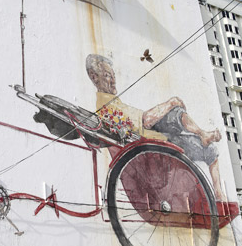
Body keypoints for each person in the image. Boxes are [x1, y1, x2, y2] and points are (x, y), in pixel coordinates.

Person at [85, 53, 225, 201]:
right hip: (154, 146)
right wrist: (170, 102)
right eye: (107, 76)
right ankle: (217, 189)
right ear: (95, 77)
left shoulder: (111, 102)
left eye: (113, 75)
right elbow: (145, 120)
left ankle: (202, 134)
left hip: (151, 139)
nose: (113, 81)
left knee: (176, 113)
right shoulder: (107, 108)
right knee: (206, 146)